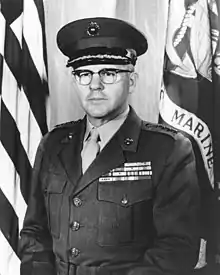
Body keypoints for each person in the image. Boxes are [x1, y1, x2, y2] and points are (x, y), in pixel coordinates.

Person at [19, 17, 201, 275]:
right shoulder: (53, 145)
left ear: (132, 81)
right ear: (75, 81)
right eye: (84, 74)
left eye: (109, 73)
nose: (95, 85)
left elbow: (177, 249)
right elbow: (34, 231)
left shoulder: (168, 150)